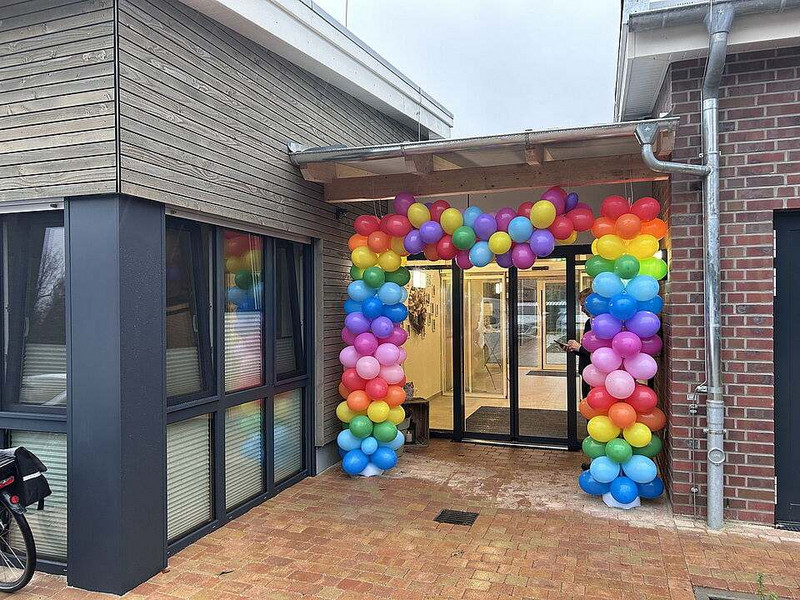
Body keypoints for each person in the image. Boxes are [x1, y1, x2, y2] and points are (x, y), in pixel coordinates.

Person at [566, 288, 593, 399]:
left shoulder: (602, 325)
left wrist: (579, 348)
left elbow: (599, 354)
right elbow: (587, 351)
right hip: (586, 372)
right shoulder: (589, 323)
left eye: (583, 306)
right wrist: (575, 349)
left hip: (596, 375)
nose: (582, 310)